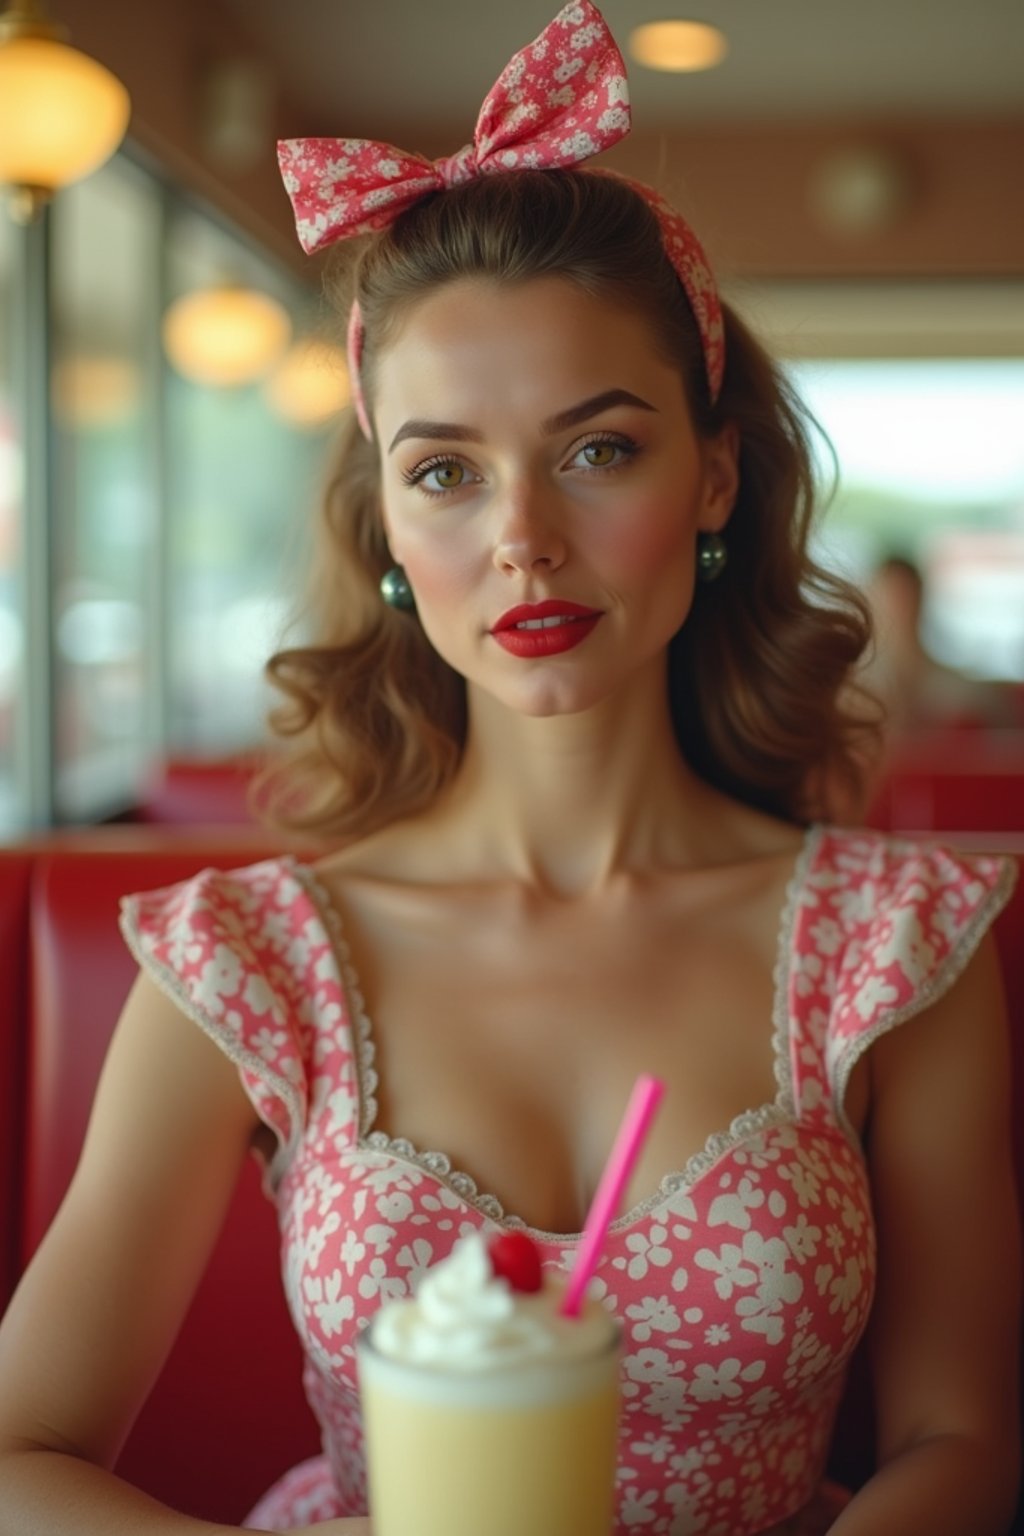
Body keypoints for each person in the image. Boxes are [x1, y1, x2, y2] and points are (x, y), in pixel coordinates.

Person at [0, 4, 1019, 1533]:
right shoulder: (248, 959)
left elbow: (962, 1439)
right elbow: (20, 1454)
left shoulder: (895, 947)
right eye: (447, 471)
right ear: (393, 529)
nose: (524, 536)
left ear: (714, 473)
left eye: (599, 449)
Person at [864, 553, 1021, 740]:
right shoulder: (858, 693)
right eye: (890, 598)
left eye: (904, 597)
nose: (898, 609)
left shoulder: (957, 691)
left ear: (919, 600)